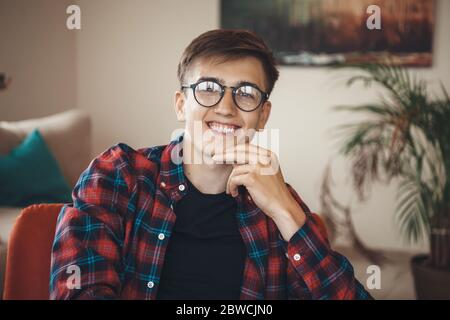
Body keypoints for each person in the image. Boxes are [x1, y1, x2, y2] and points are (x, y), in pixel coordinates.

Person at [50, 29, 372, 300]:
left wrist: (286, 212)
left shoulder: (277, 202)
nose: (226, 107)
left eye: (246, 93)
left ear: (263, 116)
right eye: (208, 89)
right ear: (181, 104)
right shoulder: (118, 175)